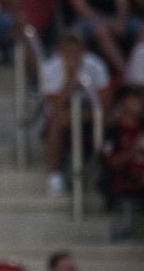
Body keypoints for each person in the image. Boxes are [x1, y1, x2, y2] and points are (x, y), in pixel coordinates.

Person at [39, 31, 112, 198]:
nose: (73, 55)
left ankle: (101, 172)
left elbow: (105, 103)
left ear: (83, 50)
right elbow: (54, 106)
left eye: (76, 50)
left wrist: (83, 116)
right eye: (68, 50)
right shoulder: (50, 68)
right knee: (57, 122)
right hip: (61, 114)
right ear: (60, 51)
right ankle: (55, 176)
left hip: (91, 113)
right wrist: (70, 79)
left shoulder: (96, 65)